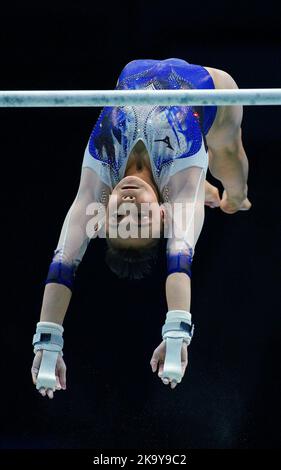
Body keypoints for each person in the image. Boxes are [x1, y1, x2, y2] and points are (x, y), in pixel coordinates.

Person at [31, 58, 251, 399]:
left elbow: (64, 263)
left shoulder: (97, 183)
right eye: (142, 218)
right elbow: (180, 257)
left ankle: (203, 189)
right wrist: (176, 335)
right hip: (214, 95)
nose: (129, 206)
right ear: (164, 216)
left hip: (169, 167)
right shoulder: (175, 211)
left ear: (101, 215)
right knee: (228, 164)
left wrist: (48, 342)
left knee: (191, 185)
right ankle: (232, 197)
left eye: (120, 219)